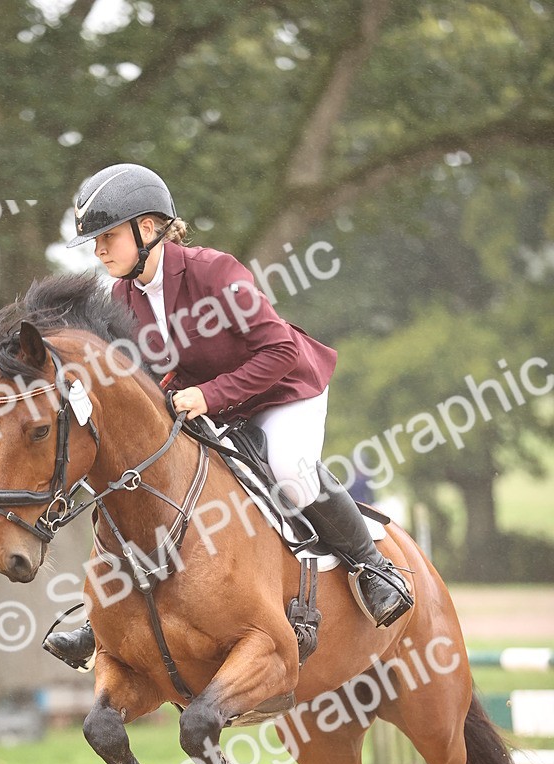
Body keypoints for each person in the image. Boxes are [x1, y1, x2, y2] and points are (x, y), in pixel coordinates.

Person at [44, 164, 412, 669]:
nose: (99, 250)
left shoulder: (214, 271)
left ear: (147, 229)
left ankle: (374, 568)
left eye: (107, 236)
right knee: (141, 481)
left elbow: (280, 350)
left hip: (283, 391)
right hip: (213, 402)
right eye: (95, 241)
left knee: (288, 469)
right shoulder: (121, 297)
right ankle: (105, 617)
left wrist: (208, 397)